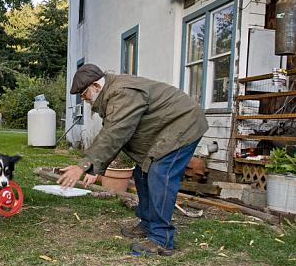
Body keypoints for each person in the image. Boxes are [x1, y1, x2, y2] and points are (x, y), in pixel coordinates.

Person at [57, 64, 208, 256]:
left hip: (184, 124)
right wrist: (93, 169)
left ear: (96, 86)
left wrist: (83, 165)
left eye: (84, 92)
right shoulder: (112, 94)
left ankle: (162, 240)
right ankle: (147, 223)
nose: (83, 98)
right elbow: (115, 134)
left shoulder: (122, 93)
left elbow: (115, 133)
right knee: (142, 173)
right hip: (166, 129)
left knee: (160, 174)